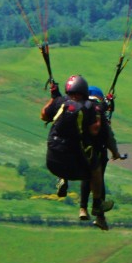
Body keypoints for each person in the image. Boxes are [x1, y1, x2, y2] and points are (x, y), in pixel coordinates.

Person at [41, 73, 114, 228]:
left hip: (53, 163)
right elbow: (95, 131)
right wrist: (102, 110)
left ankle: (63, 180)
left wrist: (54, 97)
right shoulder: (88, 108)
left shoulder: (60, 102)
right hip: (77, 166)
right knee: (95, 168)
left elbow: (43, 115)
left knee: (70, 154)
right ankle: (96, 205)